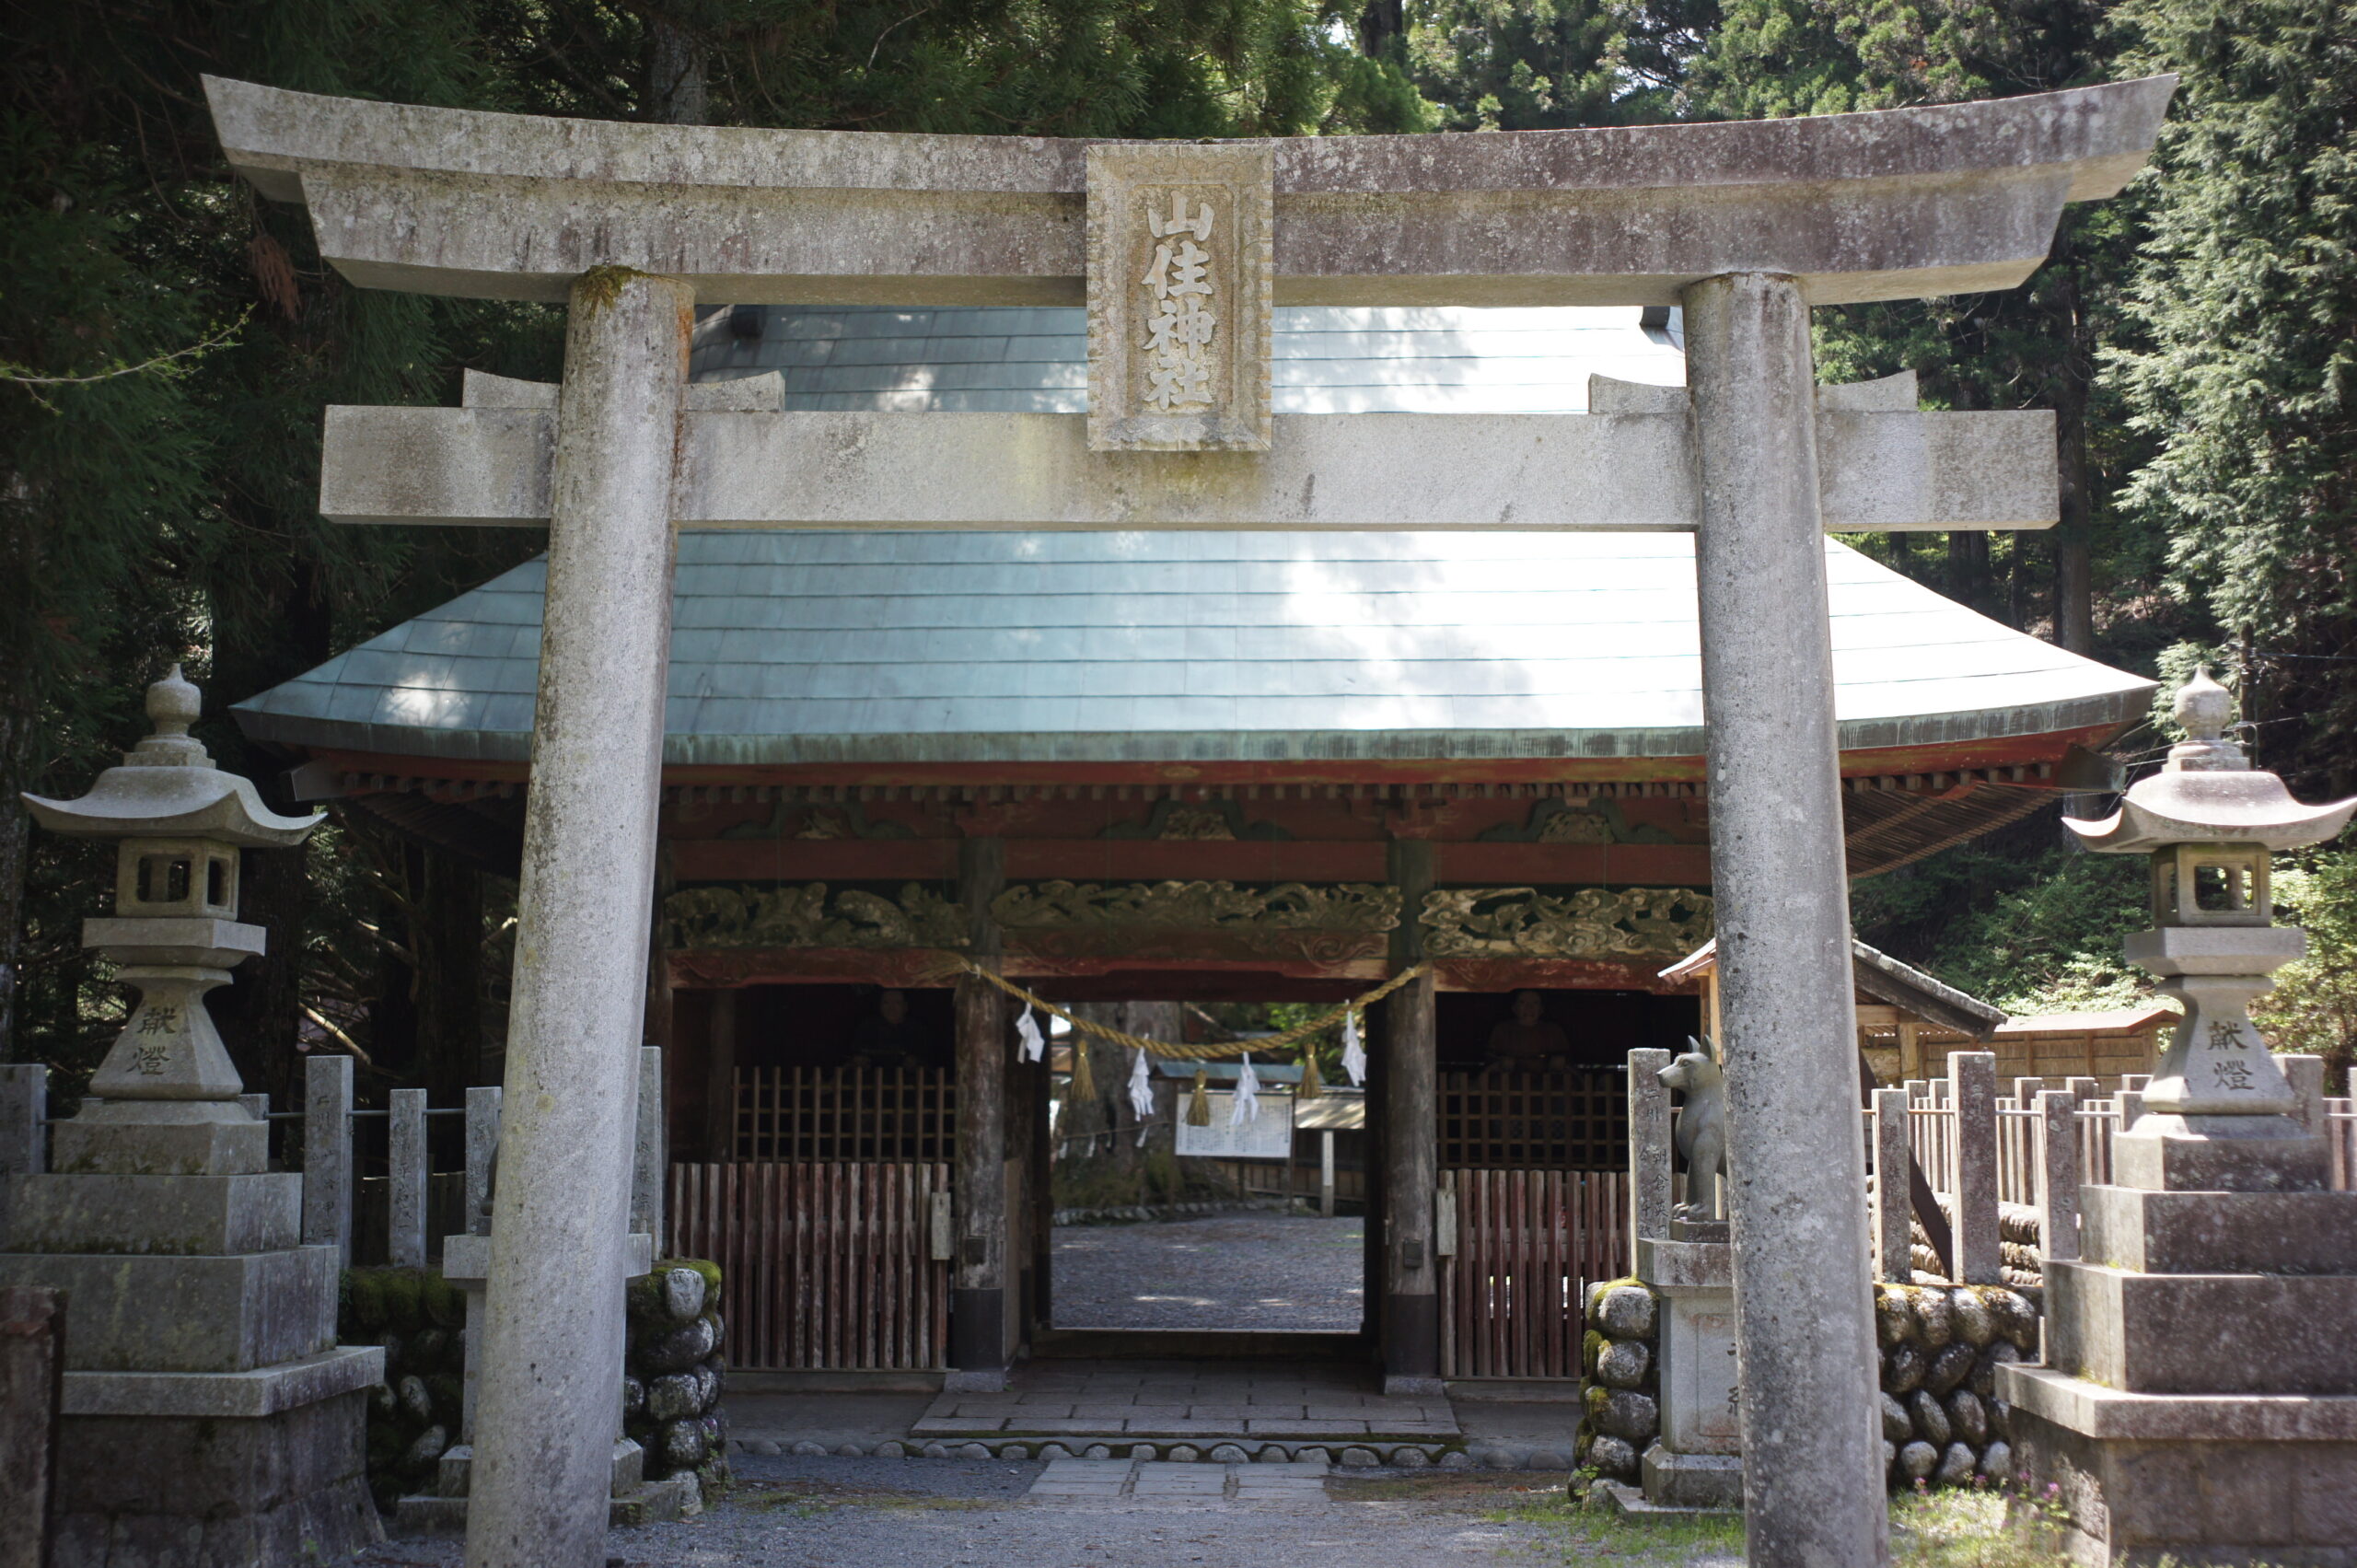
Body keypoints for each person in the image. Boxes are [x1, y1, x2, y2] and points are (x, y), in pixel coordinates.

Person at [1483, 989, 1571, 1072]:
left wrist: (1559, 1062)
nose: (1529, 1007)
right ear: (1514, 1008)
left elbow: (1567, 1057)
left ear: (1541, 1009)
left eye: (1535, 1003)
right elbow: (1490, 1056)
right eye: (1522, 1002)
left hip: (1548, 1083)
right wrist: (1502, 1062)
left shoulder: (1553, 1030)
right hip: (1509, 1083)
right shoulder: (1502, 1029)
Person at [848, 987, 930, 1068]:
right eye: (886, 1003)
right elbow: (855, 1053)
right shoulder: (868, 1027)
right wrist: (859, 1060)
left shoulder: (916, 1029)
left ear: (905, 1006)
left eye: (897, 1003)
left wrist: (915, 1062)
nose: (891, 1008)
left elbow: (926, 1058)